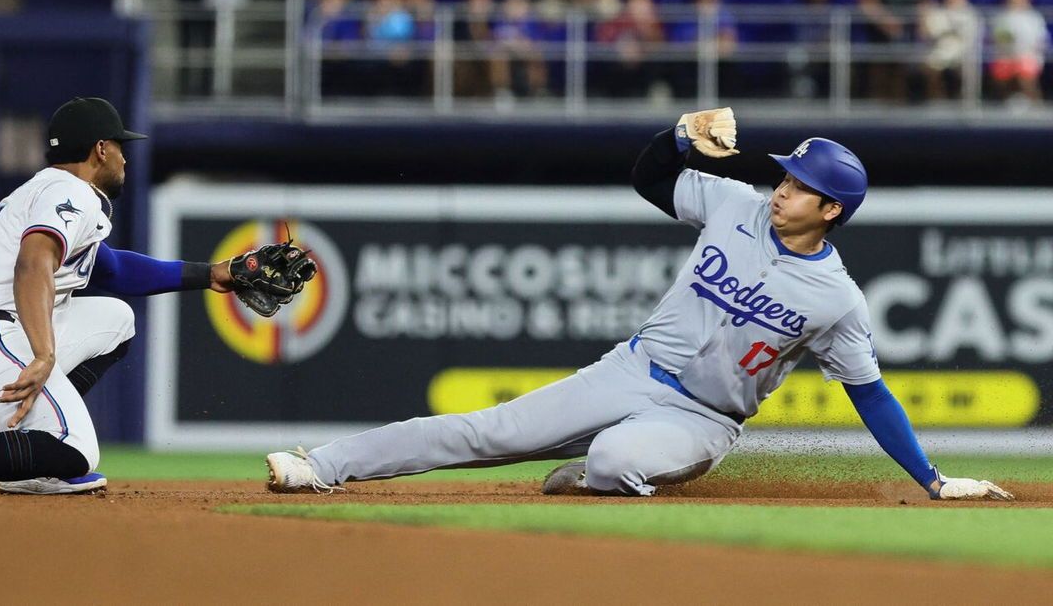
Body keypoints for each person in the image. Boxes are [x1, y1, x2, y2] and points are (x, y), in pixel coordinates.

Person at [265, 107, 1014, 503]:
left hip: (702, 420)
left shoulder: (837, 298)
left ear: (831, 211)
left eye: (799, 183)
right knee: (481, 430)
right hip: (629, 369)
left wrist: (933, 479)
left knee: (618, 458)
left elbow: (872, 395)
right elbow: (649, 176)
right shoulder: (735, 204)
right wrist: (680, 135)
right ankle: (322, 466)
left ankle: (590, 475)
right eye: (784, 174)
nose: (782, 184)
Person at [0, 97, 313, 496]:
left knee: (117, 320)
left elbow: (113, 270)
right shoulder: (70, 192)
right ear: (100, 149)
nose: (124, 159)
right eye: (120, 147)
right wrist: (44, 353)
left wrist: (213, 274)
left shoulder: (52, 192)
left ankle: (34, 462)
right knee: (77, 450)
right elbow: (33, 262)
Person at [990, 0, 1049, 104]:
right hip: (1005, 56)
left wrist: (1025, 51)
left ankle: (1036, 105)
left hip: (1029, 57)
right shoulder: (1001, 17)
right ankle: (1004, 105)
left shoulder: (1034, 17)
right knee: (1001, 73)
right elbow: (996, 38)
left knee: (1025, 74)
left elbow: (1042, 40)